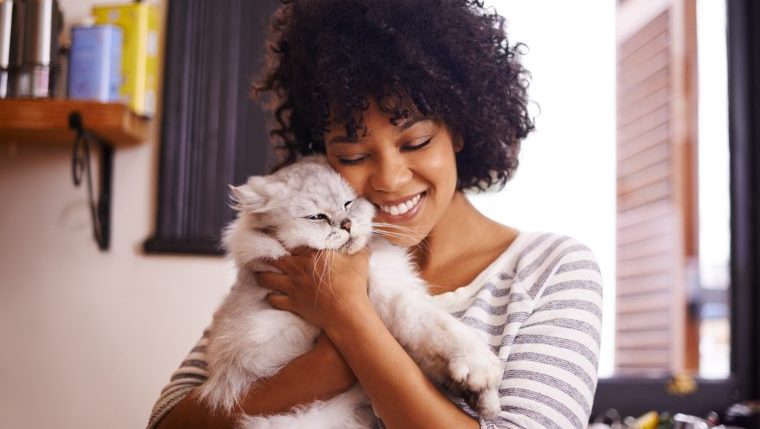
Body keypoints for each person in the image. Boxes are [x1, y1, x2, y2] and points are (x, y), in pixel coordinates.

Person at [147, 0, 603, 428]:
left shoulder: (553, 271)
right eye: (351, 155)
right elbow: (168, 419)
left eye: (416, 142)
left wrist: (349, 318)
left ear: (459, 130)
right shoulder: (302, 263)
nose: (389, 179)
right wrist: (323, 369)